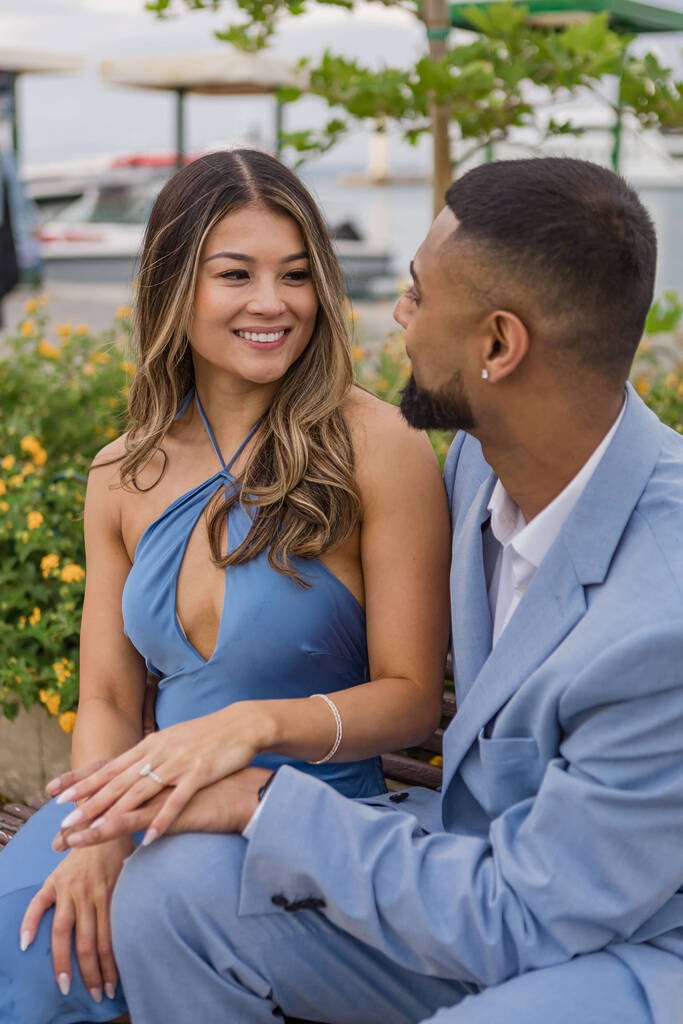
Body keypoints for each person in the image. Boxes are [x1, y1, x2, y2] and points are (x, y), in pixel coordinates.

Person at [51, 156, 683, 1023]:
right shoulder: (481, 465)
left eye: (417, 296)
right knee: (170, 897)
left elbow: (527, 915)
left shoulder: (663, 614)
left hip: (620, 946)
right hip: (465, 873)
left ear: (497, 345)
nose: (394, 316)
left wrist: (264, 795)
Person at [0, 148, 451, 1023]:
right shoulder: (121, 472)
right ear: (173, 283)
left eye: (294, 275)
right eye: (235, 274)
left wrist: (254, 726)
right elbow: (104, 693)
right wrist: (96, 833)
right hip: (136, 809)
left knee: (109, 931)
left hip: (309, 826)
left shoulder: (376, 445)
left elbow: (409, 702)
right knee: (31, 926)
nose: (271, 304)